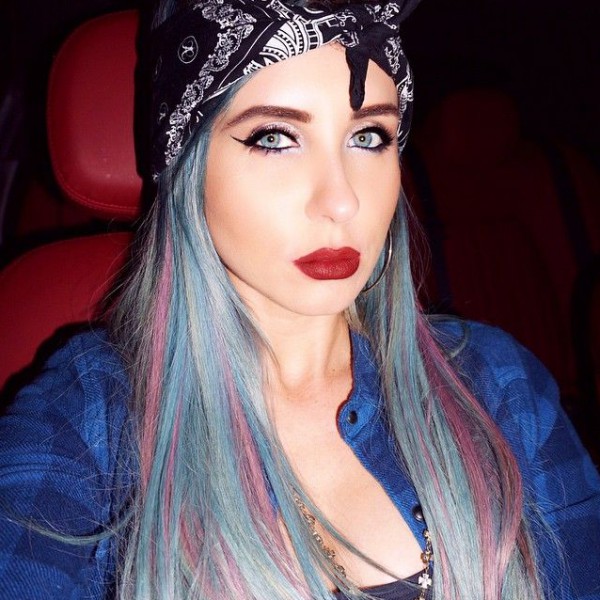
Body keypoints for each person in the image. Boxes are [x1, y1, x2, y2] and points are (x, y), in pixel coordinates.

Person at [1, 0, 599, 599]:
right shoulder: (86, 422)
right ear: (188, 163)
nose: (341, 201)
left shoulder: (497, 387)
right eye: (275, 138)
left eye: (368, 137)